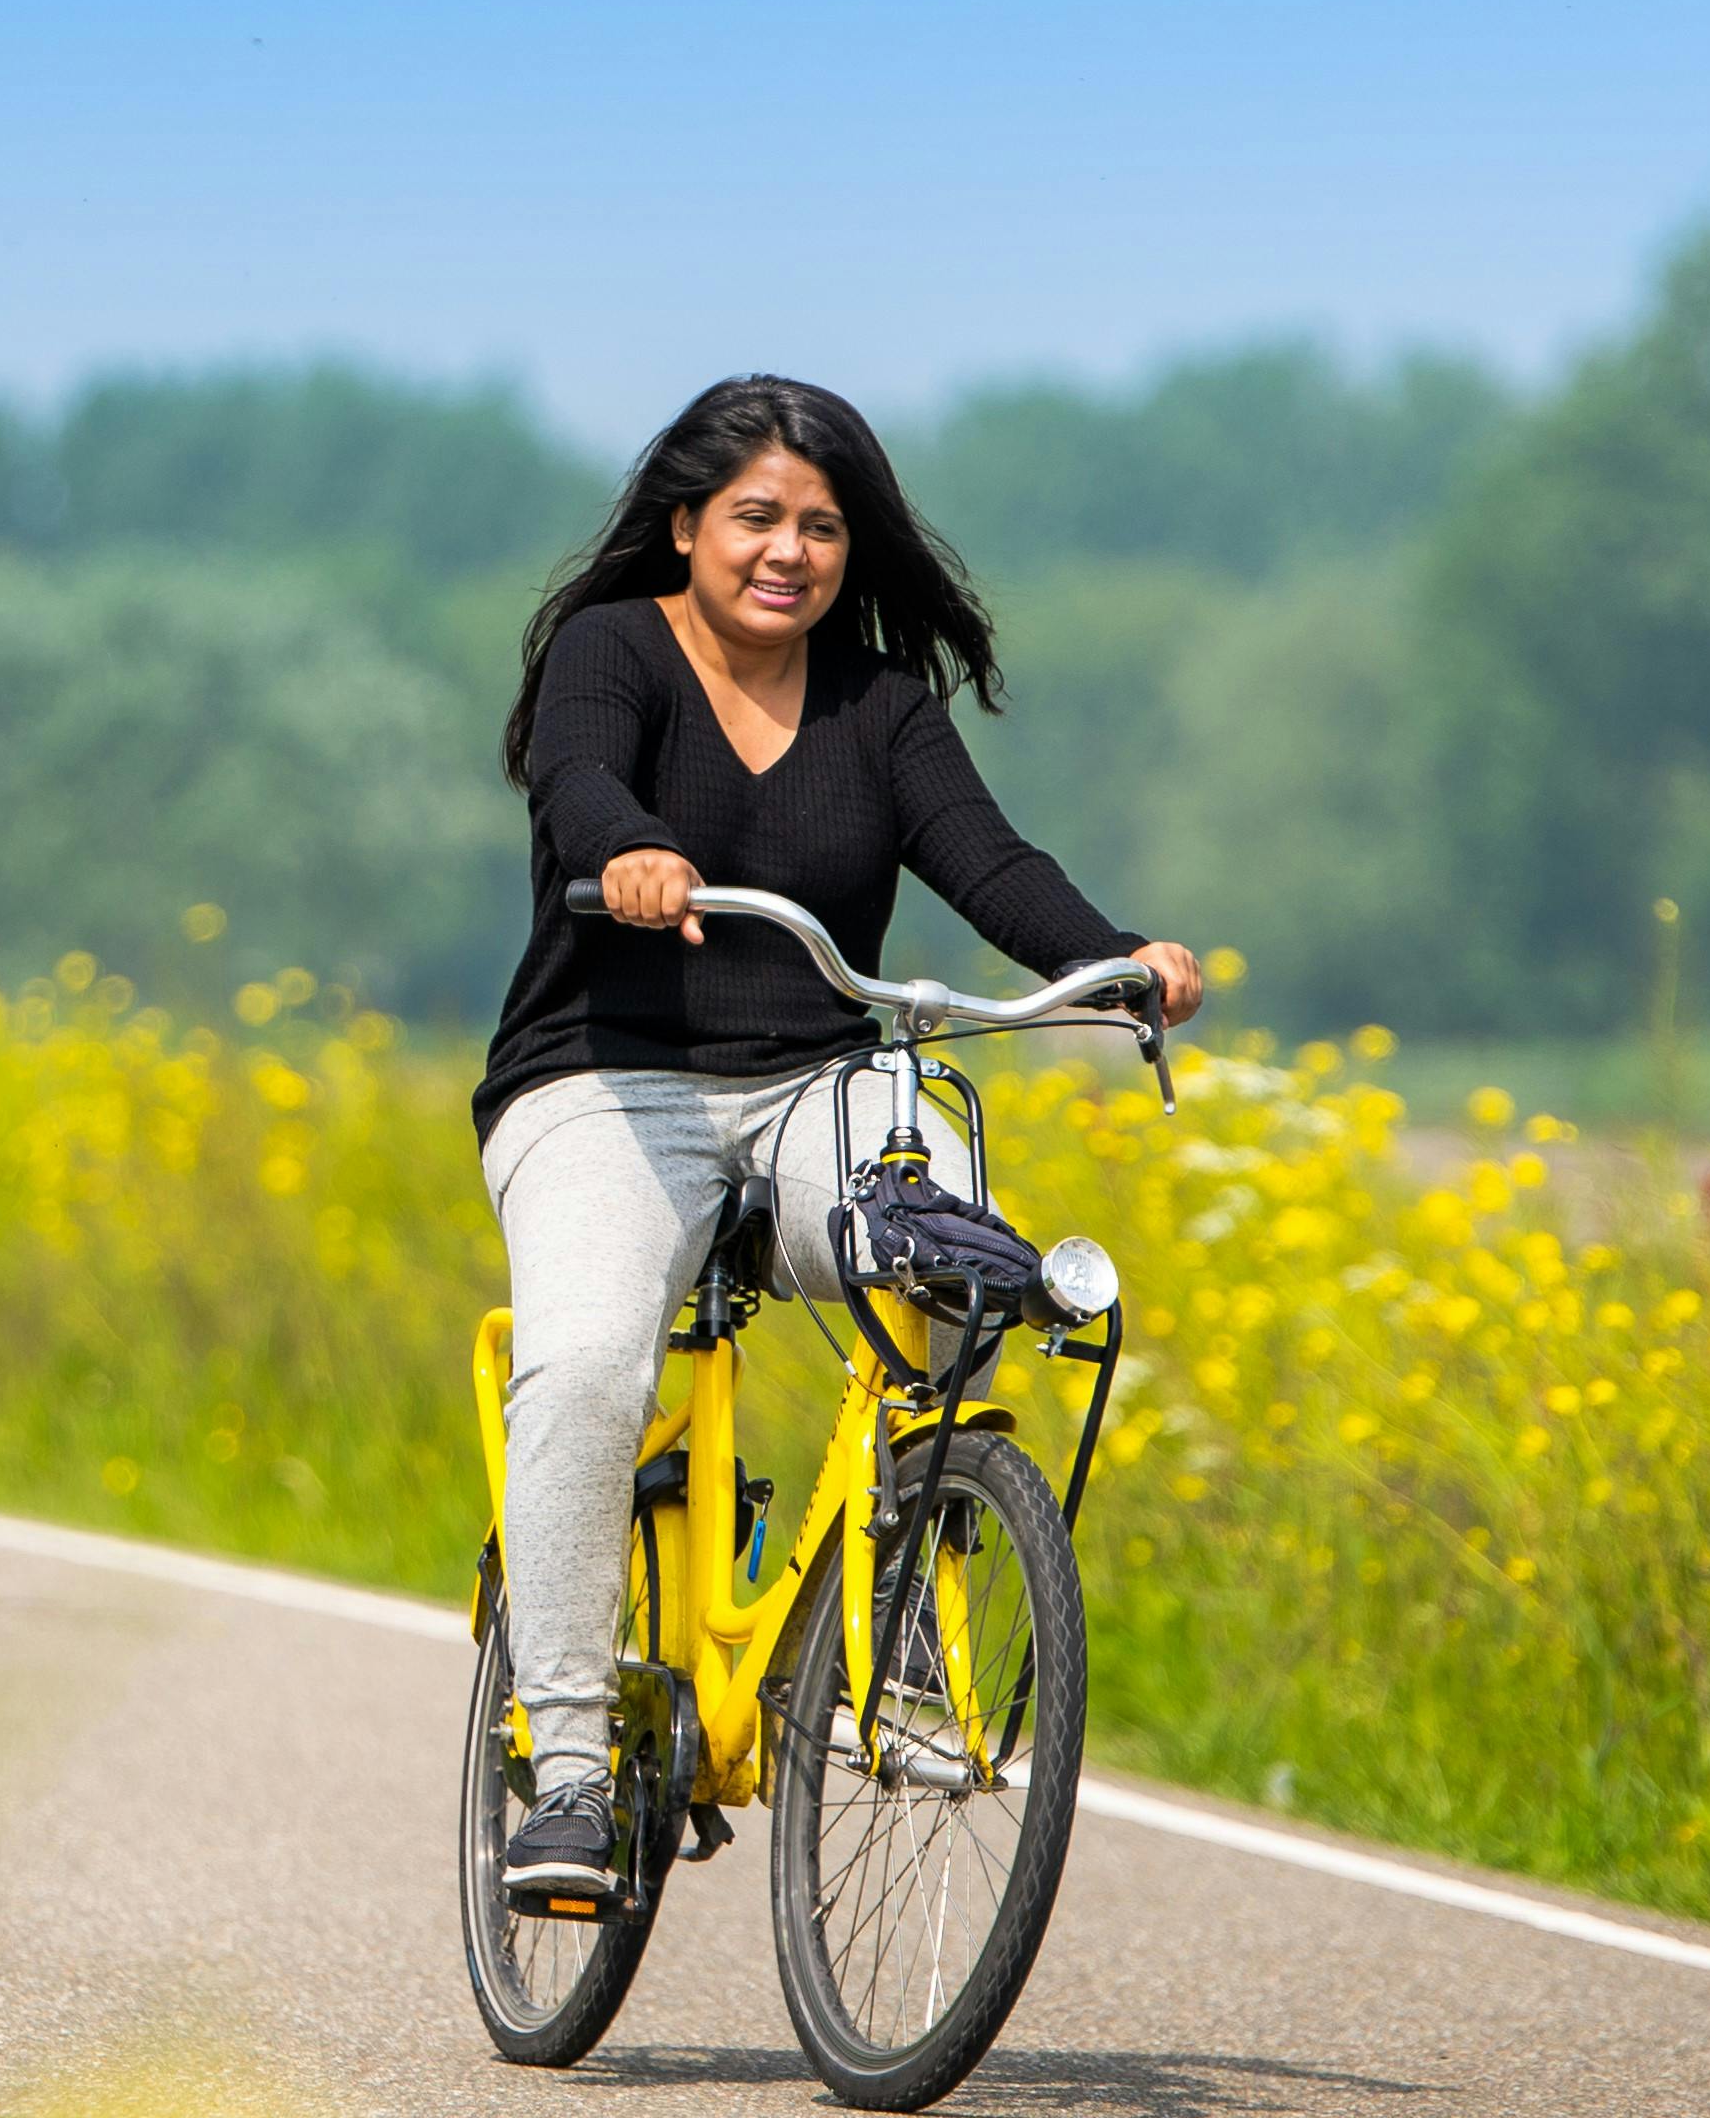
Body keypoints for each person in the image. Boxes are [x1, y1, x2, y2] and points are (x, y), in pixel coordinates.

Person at [474, 374, 1200, 1899]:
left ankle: (911, 1620)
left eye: (822, 526)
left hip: (816, 1076)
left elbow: (989, 861)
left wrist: (1121, 958)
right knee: (592, 1368)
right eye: (756, 518)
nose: (789, 550)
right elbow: (576, 776)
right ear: (685, 527)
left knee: (950, 1259)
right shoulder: (614, 651)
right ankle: (567, 1760)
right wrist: (627, 853)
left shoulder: (882, 709)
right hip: (605, 1083)